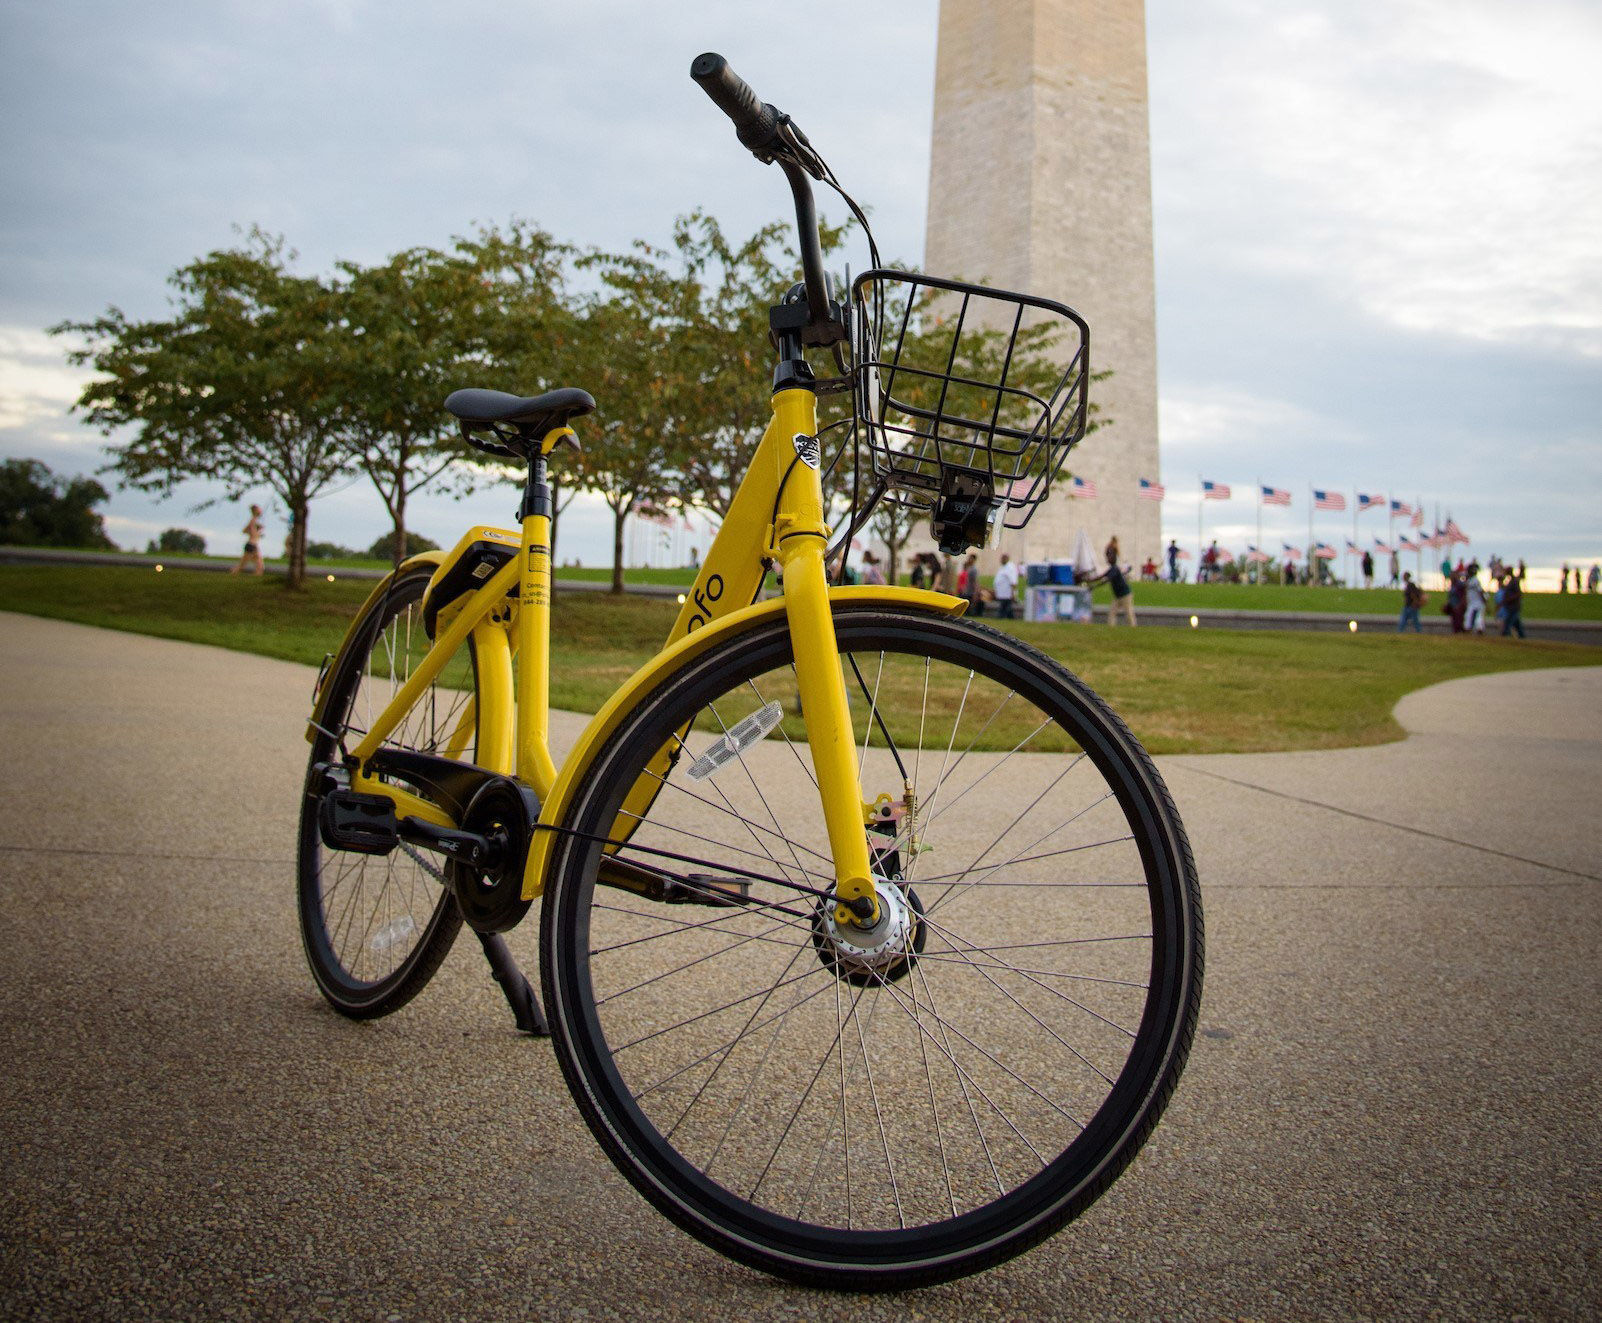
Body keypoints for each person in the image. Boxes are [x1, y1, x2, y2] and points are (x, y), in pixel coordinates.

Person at [1097, 548, 1136, 627]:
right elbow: (1101, 576)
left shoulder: (1115, 569)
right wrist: (1089, 580)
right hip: (1118, 596)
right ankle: (1110, 628)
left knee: (1129, 613)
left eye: (1109, 558)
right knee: (1112, 612)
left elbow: (1107, 579)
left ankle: (1133, 628)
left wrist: (1094, 586)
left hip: (1125, 595)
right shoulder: (1112, 569)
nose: (1107, 559)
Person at [230, 504, 264, 576]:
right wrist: (258, 531)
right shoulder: (253, 520)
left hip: (253, 545)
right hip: (251, 545)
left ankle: (257, 576)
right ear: (255, 511)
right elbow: (251, 532)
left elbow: (245, 531)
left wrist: (258, 530)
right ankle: (234, 573)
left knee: (259, 564)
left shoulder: (254, 521)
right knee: (242, 564)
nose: (261, 511)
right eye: (259, 509)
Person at [1500, 568, 1526, 639]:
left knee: (1508, 622)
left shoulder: (1514, 581)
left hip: (1513, 606)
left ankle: (1506, 634)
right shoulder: (1511, 581)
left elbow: (1518, 594)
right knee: (1516, 623)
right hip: (1510, 606)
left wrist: (1509, 599)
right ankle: (1522, 636)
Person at [992, 553, 1018, 619]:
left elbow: (1013, 581)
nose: (1001, 560)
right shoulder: (1002, 567)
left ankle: (1001, 617)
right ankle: (1009, 618)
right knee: (1006, 607)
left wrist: (1013, 592)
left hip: (1007, 592)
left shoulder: (1010, 567)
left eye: (1002, 559)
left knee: (1005, 606)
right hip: (1002, 592)